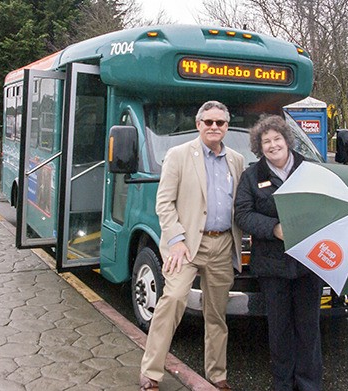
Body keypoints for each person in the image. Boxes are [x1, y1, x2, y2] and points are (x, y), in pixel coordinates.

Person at [139, 101, 244, 391]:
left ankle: (217, 374)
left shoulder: (236, 160)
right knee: (172, 300)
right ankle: (151, 371)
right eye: (208, 122)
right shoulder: (178, 155)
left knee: (217, 314)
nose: (214, 127)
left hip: (222, 245)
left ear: (227, 125)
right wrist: (176, 241)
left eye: (220, 123)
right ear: (198, 124)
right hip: (184, 246)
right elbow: (164, 202)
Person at [234, 115, 324, 391]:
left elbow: (326, 207)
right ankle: (283, 384)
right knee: (280, 331)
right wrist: (274, 228)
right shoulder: (252, 176)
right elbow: (243, 214)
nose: (273, 145)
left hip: (309, 263)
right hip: (273, 267)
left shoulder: (312, 171)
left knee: (309, 329)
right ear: (260, 148)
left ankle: (309, 384)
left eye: (277, 139)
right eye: (266, 142)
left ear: (287, 140)